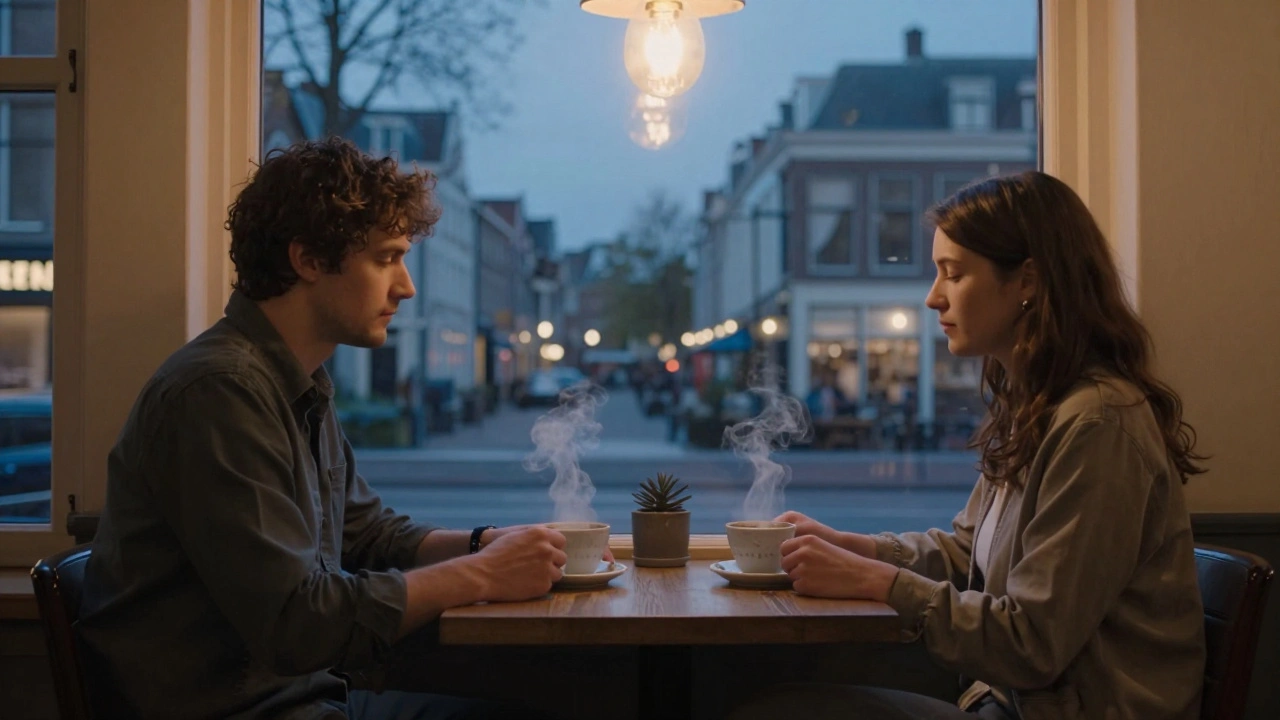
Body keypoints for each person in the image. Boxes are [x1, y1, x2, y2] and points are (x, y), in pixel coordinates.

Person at [78, 137, 574, 720]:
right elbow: (297, 623)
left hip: (299, 699)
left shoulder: (294, 380)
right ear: (309, 259)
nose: (406, 286)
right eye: (386, 258)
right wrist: (484, 573)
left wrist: (483, 543)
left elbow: (366, 535)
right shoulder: (219, 392)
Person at [735, 171, 1207, 720]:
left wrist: (875, 580)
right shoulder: (1039, 408)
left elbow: (1032, 644)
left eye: (953, 274)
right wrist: (855, 547)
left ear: (1027, 280)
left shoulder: (1097, 425)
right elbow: (966, 555)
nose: (933, 297)